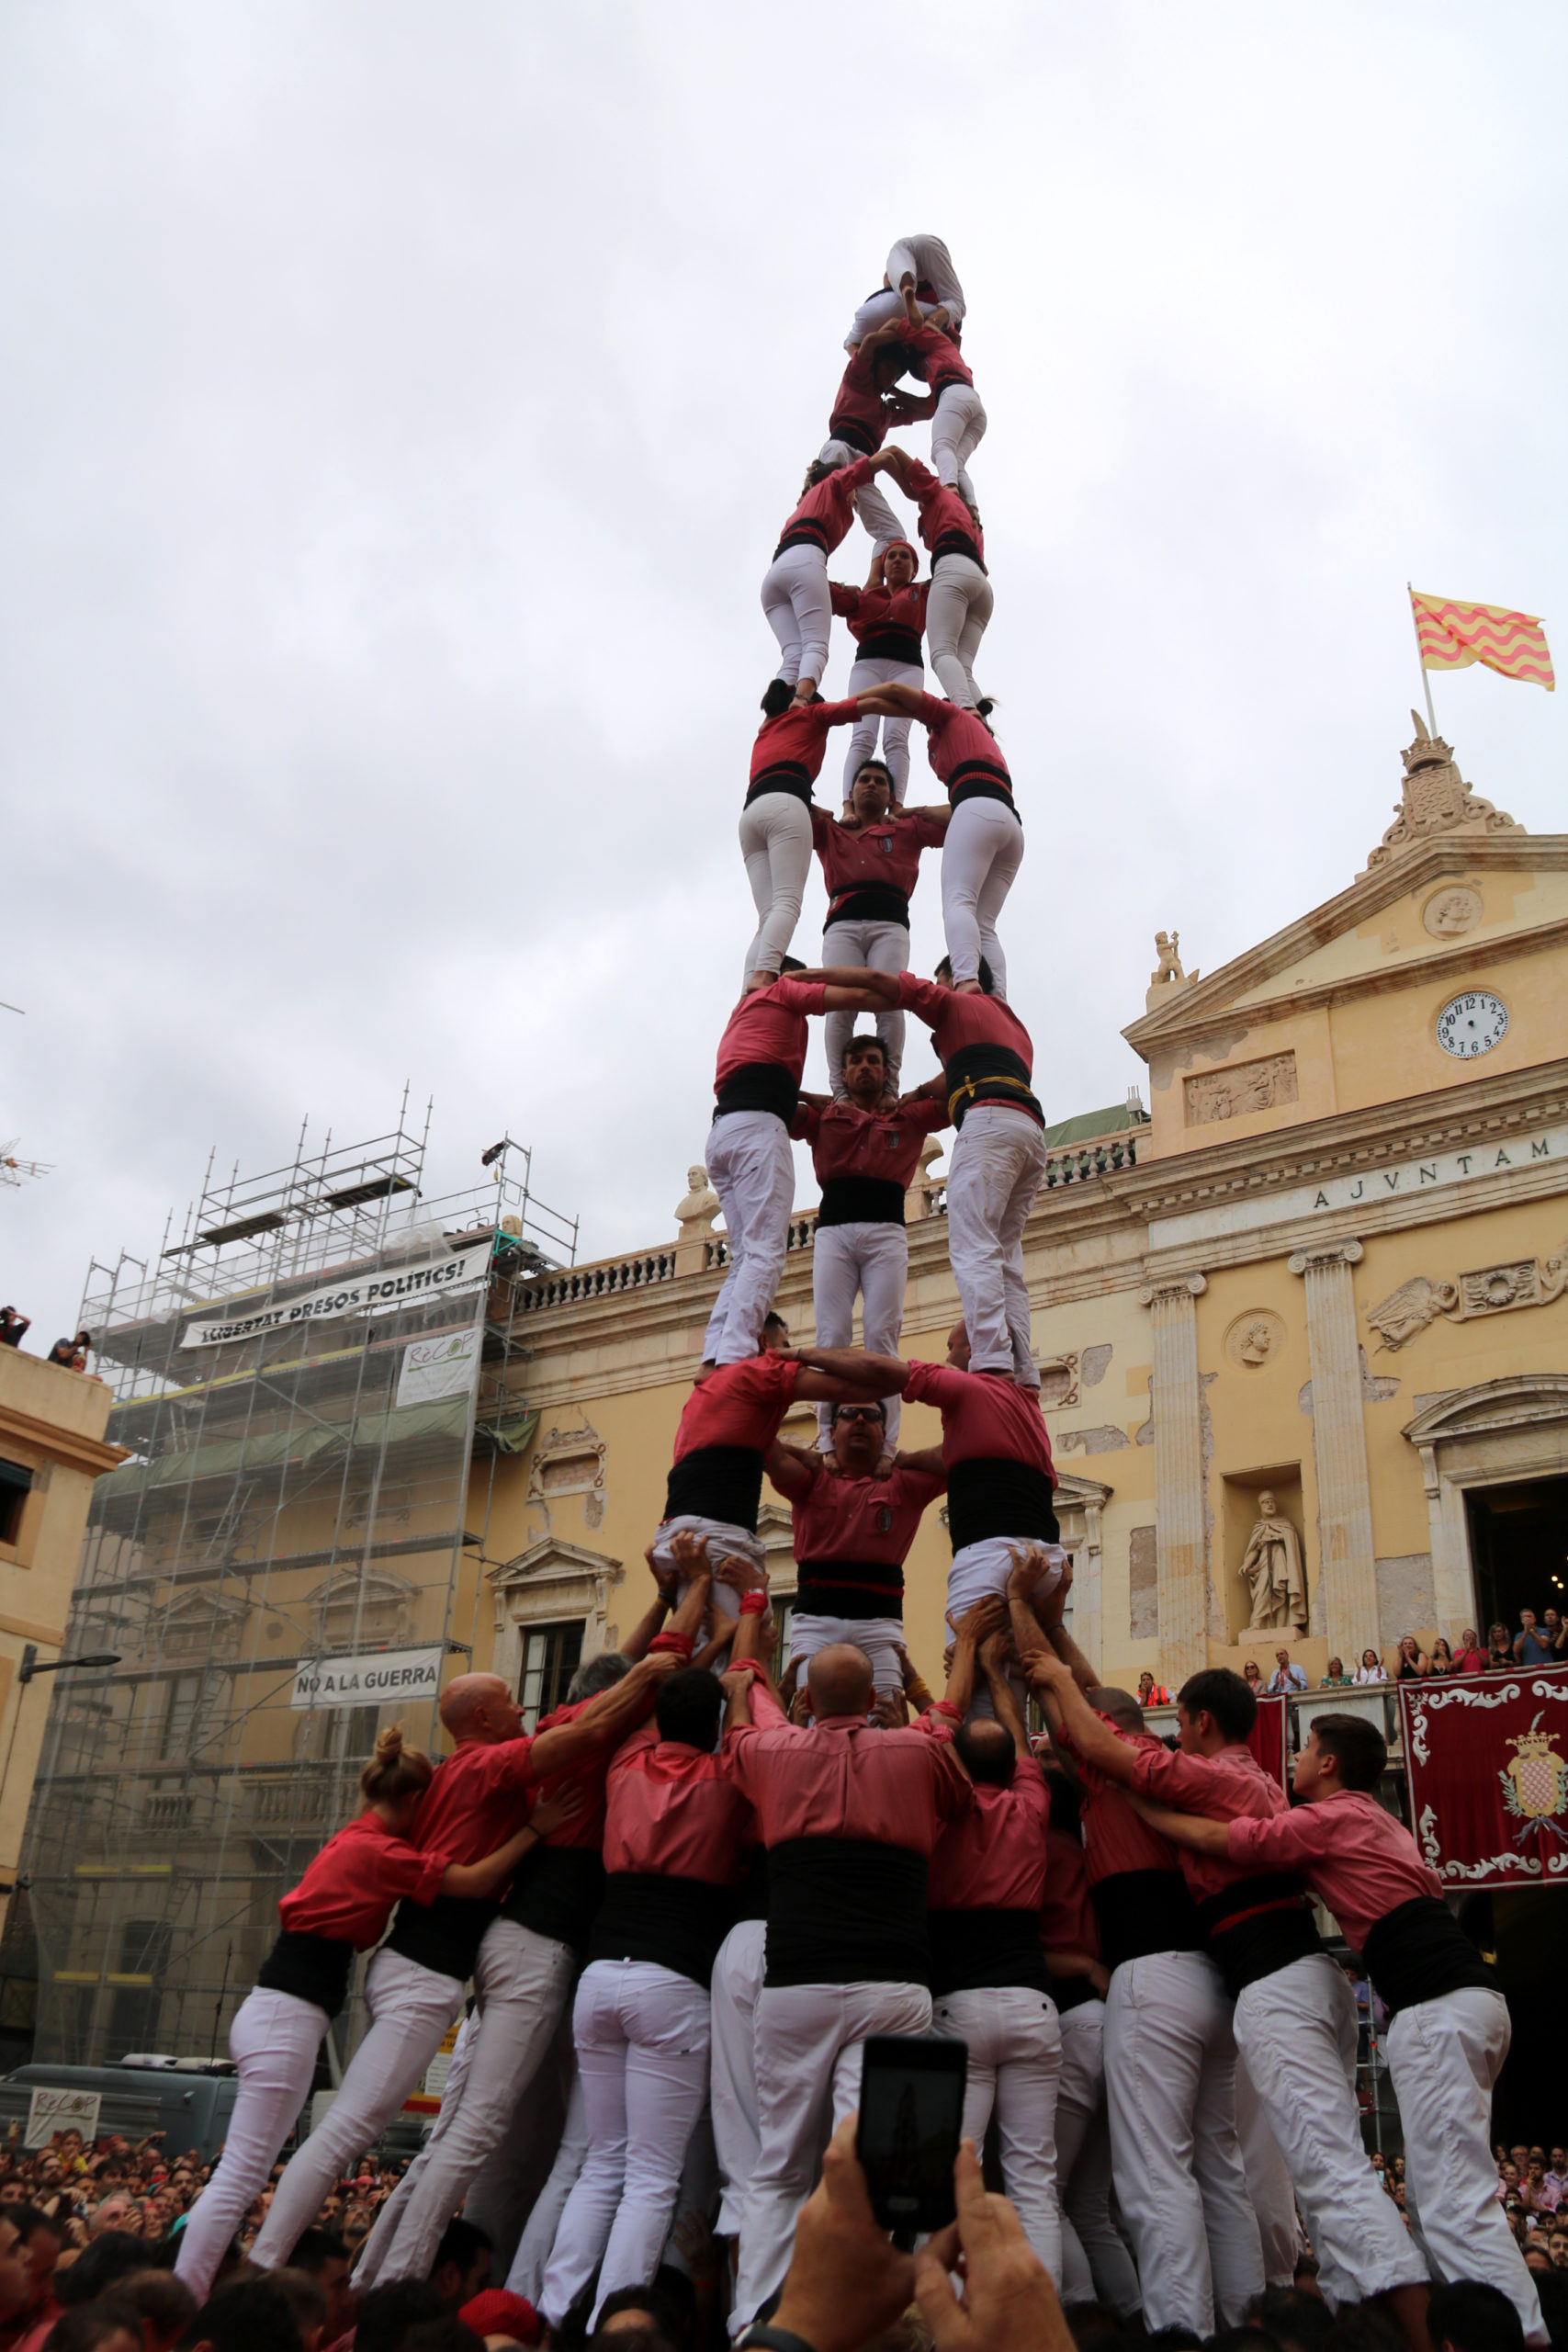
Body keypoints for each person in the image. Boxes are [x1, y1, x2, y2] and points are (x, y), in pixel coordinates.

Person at [1031, 1654, 1431, 2339]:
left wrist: (1050, 1668)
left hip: (1249, 1985)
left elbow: (1103, 1739)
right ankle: (1264, 2323)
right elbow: (1115, 1734)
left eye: (1179, 1725)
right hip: (1255, 1985)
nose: (1169, 1739)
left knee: (1214, 2172)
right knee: (1241, 2168)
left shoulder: (1198, 1778)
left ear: (1198, 1722)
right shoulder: (1259, 1786)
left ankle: (1192, 2331)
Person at [1134, 1709, 1547, 2341]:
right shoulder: (1374, 1819)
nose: (1292, 1758)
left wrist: (1149, 1812)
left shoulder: (1331, 1817)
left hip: (1435, 2008)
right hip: (1466, 2002)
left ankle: (1516, 2339)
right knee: (1443, 2204)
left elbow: (1230, 1841)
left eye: (1302, 1750)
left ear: (1328, 1764)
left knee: (1453, 2208)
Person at [252, 1666, 678, 2274]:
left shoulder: (453, 1774)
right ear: (482, 1718)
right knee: (366, 2129)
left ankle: (363, 2271)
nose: (523, 1706)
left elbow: (585, 1715)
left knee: (428, 2130)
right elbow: (587, 1732)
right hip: (423, 1977)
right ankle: (294, 2268)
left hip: (421, 1970)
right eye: (508, 1699)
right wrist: (536, 1826)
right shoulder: (484, 1765)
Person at [347, 1593, 708, 2293]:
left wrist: (670, 1599)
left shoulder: (551, 1735)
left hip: (516, 1951)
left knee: (475, 2137)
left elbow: (626, 1671)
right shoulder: (578, 1739)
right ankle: (393, 2283)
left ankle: (381, 2278)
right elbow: (638, 1676)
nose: (524, 1708)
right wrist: (699, 1612)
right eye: (511, 1700)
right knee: (479, 2134)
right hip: (531, 1952)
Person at [175, 1727, 572, 2301]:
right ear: (414, 1802)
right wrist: (535, 1828)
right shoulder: (382, 1852)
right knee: (268, 2162)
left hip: (279, 2009)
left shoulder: (356, 1839)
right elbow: (475, 1880)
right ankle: (207, 2292)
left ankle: (221, 2283)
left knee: (260, 2163)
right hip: (287, 2014)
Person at [1018, 1562, 1263, 2335]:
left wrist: (1017, 1607)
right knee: (1218, 2168)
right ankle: (1244, 2322)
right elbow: (1092, 1696)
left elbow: (1057, 1688)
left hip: (1150, 1981)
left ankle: (1179, 2330)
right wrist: (1056, 1629)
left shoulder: (1110, 1776)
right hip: (1215, 1983)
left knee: (1156, 2173)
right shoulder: (1172, 1769)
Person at [722, 1604, 973, 2335]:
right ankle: (859, 2327)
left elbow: (737, 1730)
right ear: (873, 1700)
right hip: (893, 1985)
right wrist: (906, 1728)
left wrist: (749, 1675)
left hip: (797, 1982)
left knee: (777, 2164)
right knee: (871, 2163)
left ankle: (752, 2327)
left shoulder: (772, 1751)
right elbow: (958, 1796)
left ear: (804, 1703)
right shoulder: (915, 1753)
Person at [538, 1654, 753, 2333]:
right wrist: (742, 1665)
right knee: (652, 2177)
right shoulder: (727, 1780)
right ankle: (616, 2330)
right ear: (716, 1725)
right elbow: (752, 1744)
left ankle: (552, 2317)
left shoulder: (625, 1762)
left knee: (602, 2165)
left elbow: (627, 1711)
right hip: (670, 1983)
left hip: (600, 1977)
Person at [928, 1613, 1064, 2283]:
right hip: (1031, 1998)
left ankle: (958, 2309)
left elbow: (940, 1756)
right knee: (1035, 2177)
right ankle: (1048, 2315)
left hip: (960, 2003)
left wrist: (958, 1671)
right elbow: (1020, 1745)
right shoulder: (1031, 1803)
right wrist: (995, 1680)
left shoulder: (943, 1812)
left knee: (960, 2169)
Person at [801, 1328, 1060, 1658]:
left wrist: (801, 1356)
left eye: (952, 1348)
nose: (947, 1358)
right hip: (1045, 1557)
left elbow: (880, 1369)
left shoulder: (967, 1387)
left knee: (979, 1675)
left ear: (974, 1352)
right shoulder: (1027, 1403)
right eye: (850, 1415)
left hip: (989, 1554)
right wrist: (905, 1458)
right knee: (1045, 1672)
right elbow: (952, 1456)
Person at [698, 960, 899, 1368]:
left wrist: (808, 1097)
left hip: (723, 1131)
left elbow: (762, 1082)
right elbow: (859, 997)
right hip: (757, 1130)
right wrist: (902, 993)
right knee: (764, 1254)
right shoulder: (784, 991)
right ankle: (734, 1357)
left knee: (744, 1256)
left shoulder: (742, 1013)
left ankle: (713, 1356)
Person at [652, 1325, 906, 1639]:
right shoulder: (757, 1373)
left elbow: (762, 1446)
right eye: (783, 1345)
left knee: (711, 1646)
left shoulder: (709, 1395)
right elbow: (871, 1386)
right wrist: (802, 1354)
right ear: (762, 1343)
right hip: (717, 1539)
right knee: (733, 1649)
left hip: (692, 1530)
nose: (786, 1353)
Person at [792, 1035, 951, 1440]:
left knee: (883, 1338)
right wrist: (819, 1099)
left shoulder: (908, 1115)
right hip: (834, 1233)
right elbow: (778, 1103)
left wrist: (913, 1092)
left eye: (874, 1061)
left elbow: (960, 1083)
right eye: (857, 1062)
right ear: (843, 1073)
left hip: (885, 1233)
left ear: (887, 1070)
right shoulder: (827, 1116)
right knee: (831, 1338)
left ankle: (887, 1445)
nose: (865, 1067)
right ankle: (828, 1440)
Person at [897, 965, 1046, 1385]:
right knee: (1005, 1259)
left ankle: (992, 1357)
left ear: (956, 975)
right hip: (1029, 1130)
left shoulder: (957, 1003)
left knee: (973, 1246)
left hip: (989, 1122)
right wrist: (923, 1091)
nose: (940, 986)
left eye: (941, 977)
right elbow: (958, 1074)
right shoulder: (1009, 1025)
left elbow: (898, 987)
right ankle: (1023, 1368)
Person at [1035, 1771, 1141, 2317]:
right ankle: (1129, 2314)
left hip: (1074, 2018)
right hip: (1111, 2024)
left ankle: (1078, 2317)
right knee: (1091, 2206)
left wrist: (1080, 1964)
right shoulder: (1090, 1851)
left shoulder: (1038, 1854)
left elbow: (1026, 1945)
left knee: (1043, 2196)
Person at [764, 1391, 944, 1697]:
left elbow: (963, 1455)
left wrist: (904, 1457)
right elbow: (760, 1445)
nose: (860, 1419)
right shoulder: (812, 1477)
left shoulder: (904, 1481)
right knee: (814, 1721)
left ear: (885, 1434)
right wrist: (805, 1452)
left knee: (884, 1719)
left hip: (880, 1623)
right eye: (849, 1413)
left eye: (872, 1416)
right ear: (831, 1431)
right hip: (816, 1622)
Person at [867, 688, 1021, 994]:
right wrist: (915, 811)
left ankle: (966, 979)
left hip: (977, 809)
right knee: (984, 924)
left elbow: (899, 695)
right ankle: (998, 998)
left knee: (958, 900)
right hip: (1010, 824)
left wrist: (855, 704)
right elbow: (960, 808)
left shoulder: (951, 716)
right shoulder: (979, 736)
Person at [811, 768, 949, 1089]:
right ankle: (840, 1091)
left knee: (891, 1000)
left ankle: (889, 1088)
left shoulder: (907, 828)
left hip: (890, 922)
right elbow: (786, 802)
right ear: (851, 792)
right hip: (842, 923)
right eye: (864, 780)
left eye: (880, 781)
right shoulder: (830, 829)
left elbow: (963, 813)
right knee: (839, 1004)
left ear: (890, 795)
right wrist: (835, 811)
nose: (871, 784)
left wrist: (912, 810)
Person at [739, 688, 868, 989]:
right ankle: (764, 975)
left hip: (751, 815)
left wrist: (812, 807)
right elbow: (860, 705)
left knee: (768, 914)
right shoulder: (810, 714)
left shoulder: (767, 730)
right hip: (786, 806)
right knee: (787, 902)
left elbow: (776, 775)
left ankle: (747, 988)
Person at [760, 450, 902, 703]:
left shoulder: (804, 504)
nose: (855, 499)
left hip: (775, 575)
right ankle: (802, 700)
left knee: (793, 651)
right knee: (816, 645)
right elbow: (866, 467)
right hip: (805, 559)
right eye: (855, 493)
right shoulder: (833, 484)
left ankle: (775, 710)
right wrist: (893, 461)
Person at [879, 452, 991, 710]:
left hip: (953, 568)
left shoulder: (940, 493)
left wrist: (877, 462)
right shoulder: (973, 520)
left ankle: (968, 711)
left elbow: (897, 456)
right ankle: (981, 724)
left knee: (942, 653)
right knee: (963, 666)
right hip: (981, 587)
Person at [829, 548, 931, 805]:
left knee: (896, 736)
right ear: (882, 567)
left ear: (915, 568)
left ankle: (895, 806)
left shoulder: (925, 592)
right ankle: (848, 805)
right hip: (869, 665)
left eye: (905, 556)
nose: (898, 560)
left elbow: (954, 572)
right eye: (892, 556)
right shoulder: (864, 596)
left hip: (907, 666)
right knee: (863, 734)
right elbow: (823, 592)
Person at [816, 318, 911, 550]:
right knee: (829, 498)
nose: (891, 377)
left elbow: (929, 409)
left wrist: (904, 395)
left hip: (865, 469)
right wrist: (901, 330)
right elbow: (868, 343)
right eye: (889, 369)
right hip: (841, 446)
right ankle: (810, 550)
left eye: (896, 376)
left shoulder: (886, 412)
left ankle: (875, 583)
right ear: (876, 365)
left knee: (895, 535)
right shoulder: (857, 379)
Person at [886, 284, 987, 501]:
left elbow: (900, 325)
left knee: (941, 448)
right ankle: (972, 509)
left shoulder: (938, 344)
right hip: (974, 406)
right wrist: (897, 392)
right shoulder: (949, 365)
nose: (924, 372)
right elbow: (928, 406)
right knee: (956, 463)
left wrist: (889, 330)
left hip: (956, 396)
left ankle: (949, 493)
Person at [845, 233, 967, 348]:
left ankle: (906, 288)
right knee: (957, 304)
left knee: (900, 276)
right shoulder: (950, 324)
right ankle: (933, 321)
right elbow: (955, 344)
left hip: (905, 248)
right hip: (928, 258)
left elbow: (887, 277)